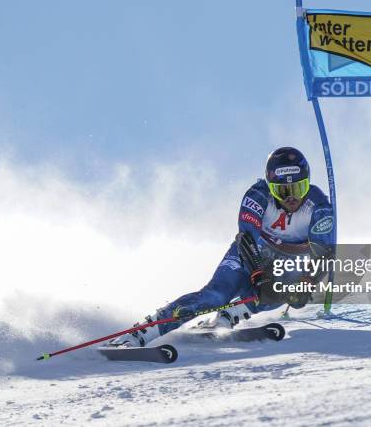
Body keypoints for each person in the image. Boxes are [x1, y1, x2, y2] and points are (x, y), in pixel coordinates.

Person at [110, 146, 335, 347]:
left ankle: (229, 315)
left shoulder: (319, 207)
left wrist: (307, 283)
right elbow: (246, 237)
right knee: (215, 296)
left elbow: (324, 254)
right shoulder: (257, 195)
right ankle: (144, 331)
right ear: (270, 186)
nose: (292, 198)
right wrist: (258, 275)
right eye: (283, 191)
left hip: (284, 263)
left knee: (281, 290)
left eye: (299, 188)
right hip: (249, 256)